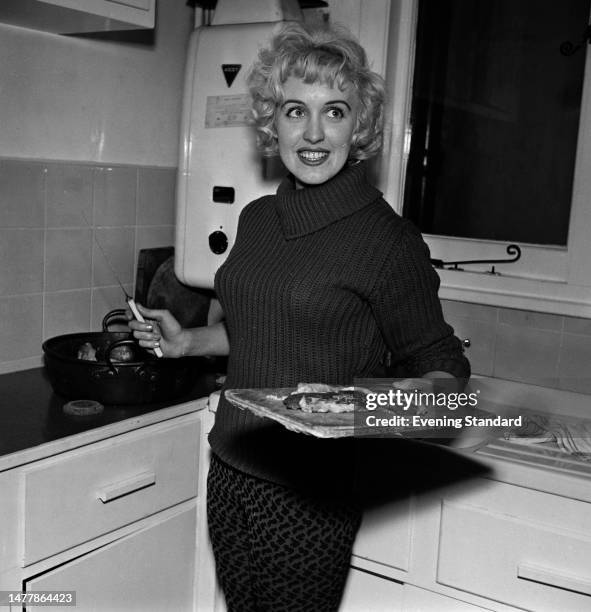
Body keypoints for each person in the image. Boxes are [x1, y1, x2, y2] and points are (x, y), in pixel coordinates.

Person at [129, 21, 470, 612]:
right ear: (273, 122)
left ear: (358, 125)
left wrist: (409, 397)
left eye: (334, 112)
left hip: (310, 492)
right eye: (294, 111)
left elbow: (443, 369)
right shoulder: (259, 218)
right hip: (232, 468)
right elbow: (261, 330)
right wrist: (186, 343)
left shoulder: (386, 241)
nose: (313, 132)